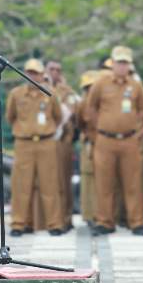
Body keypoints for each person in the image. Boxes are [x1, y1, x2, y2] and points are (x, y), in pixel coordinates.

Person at [86, 46, 143, 236]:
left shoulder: (136, 86)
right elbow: (90, 109)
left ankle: (136, 222)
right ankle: (105, 221)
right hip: (105, 140)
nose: (122, 66)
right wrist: (100, 128)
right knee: (104, 183)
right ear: (112, 64)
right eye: (119, 62)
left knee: (133, 183)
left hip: (129, 139)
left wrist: (137, 134)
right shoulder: (101, 83)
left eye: (125, 63)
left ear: (129, 65)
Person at [6, 58, 64, 236]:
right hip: (24, 143)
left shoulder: (50, 93)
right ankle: (19, 224)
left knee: (49, 184)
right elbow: (10, 117)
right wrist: (24, 130)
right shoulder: (16, 94)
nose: (32, 76)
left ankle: (54, 224)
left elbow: (58, 117)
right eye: (29, 72)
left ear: (42, 75)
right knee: (21, 185)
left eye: (36, 73)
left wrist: (45, 130)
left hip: (46, 142)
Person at [47, 60, 80, 232]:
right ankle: (48, 219)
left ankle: (65, 219)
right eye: (51, 69)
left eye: (58, 70)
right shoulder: (38, 88)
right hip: (45, 140)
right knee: (46, 183)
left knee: (63, 181)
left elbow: (74, 111)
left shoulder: (68, 92)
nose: (54, 72)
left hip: (63, 141)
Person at [75, 70, 100, 226]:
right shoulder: (82, 104)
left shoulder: (104, 103)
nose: (90, 90)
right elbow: (79, 122)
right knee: (88, 178)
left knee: (104, 179)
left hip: (104, 142)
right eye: (87, 87)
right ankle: (89, 215)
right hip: (89, 142)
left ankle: (104, 215)